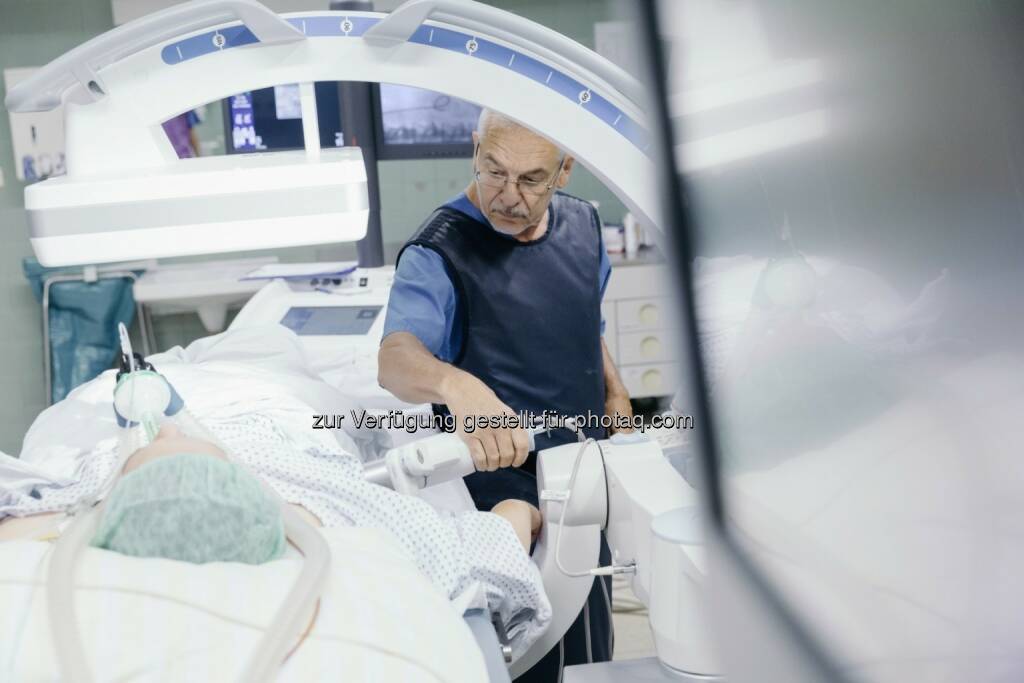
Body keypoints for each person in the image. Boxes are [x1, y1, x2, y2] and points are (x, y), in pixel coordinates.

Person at [378, 109, 633, 680]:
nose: (507, 196)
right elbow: (394, 360)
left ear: (564, 171)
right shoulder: (437, 251)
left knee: (591, 649)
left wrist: (616, 394)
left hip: (584, 469)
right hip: (498, 480)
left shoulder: (585, 227)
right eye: (493, 171)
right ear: (475, 149)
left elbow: (585, 325)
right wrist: (455, 383)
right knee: (525, 656)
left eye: (530, 179)